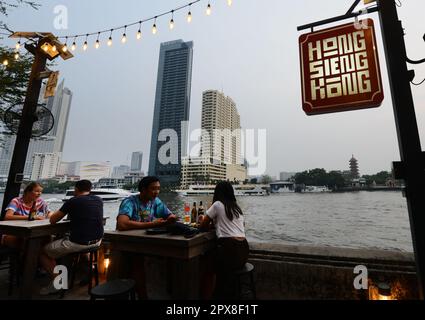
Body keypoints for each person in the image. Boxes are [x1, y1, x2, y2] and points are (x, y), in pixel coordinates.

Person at [39, 179, 104, 295]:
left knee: (43, 252)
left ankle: (59, 283)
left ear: (76, 189)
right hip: (97, 242)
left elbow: (53, 220)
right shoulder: (98, 200)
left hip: (79, 243)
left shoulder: (74, 201)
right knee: (73, 246)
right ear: (90, 189)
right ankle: (88, 272)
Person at [116, 176, 176, 299]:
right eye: (153, 189)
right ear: (143, 190)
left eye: (158, 189)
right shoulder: (130, 202)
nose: (156, 192)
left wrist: (171, 218)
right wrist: (152, 224)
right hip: (128, 244)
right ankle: (143, 296)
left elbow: (169, 215)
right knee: (138, 262)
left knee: (172, 258)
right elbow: (122, 224)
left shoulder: (155, 201)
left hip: (147, 241)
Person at [200, 181, 249, 299]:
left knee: (207, 268)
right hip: (244, 251)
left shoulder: (217, 204)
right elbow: (238, 227)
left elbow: (202, 226)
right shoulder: (237, 208)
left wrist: (205, 220)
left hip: (229, 249)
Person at [1, 182, 50, 249]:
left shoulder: (40, 202)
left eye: (41, 191)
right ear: (28, 191)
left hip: (30, 233)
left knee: (46, 238)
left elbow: (49, 213)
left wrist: (48, 216)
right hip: (13, 232)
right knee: (27, 243)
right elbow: (7, 217)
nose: (39, 194)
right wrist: (31, 217)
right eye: (37, 191)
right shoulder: (17, 201)